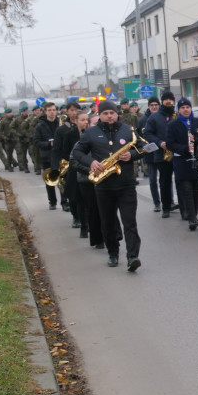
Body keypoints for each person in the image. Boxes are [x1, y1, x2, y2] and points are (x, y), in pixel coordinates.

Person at [72, 100, 143, 272]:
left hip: (126, 184)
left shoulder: (128, 130)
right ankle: (113, 253)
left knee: (129, 222)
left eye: (112, 112)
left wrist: (132, 154)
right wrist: (91, 162)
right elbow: (77, 152)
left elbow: (144, 147)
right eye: (105, 113)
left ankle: (132, 257)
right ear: (100, 115)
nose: (109, 116)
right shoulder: (90, 132)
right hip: (103, 186)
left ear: (117, 113)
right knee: (108, 222)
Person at [167, 97, 198, 230]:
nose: (186, 109)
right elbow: (170, 144)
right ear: (179, 110)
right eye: (182, 108)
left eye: (188, 107)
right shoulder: (173, 125)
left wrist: (197, 141)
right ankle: (192, 218)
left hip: (196, 161)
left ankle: (194, 214)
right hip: (182, 161)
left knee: (196, 191)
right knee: (186, 190)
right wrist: (184, 148)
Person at [68, 111, 103, 247]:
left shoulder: (105, 138)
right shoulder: (82, 139)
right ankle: (96, 238)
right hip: (86, 179)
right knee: (91, 209)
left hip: (104, 179)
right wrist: (89, 170)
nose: (97, 126)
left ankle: (111, 236)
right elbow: (73, 159)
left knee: (106, 210)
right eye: (94, 123)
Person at [142, 90, 177, 218]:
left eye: (170, 99)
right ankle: (166, 207)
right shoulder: (154, 117)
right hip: (162, 155)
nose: (168, 101)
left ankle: (184, 208)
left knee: (181, 182)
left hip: (179, 154)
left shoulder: (177, 114)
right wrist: (159, 142)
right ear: (162, 101)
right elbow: (147, 134)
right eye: (166, 99)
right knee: (164, 182)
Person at [53, 102, 82, 227]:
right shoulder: (62, 130)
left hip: (86, 165)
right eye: (71, 110)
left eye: (76, 110)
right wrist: (56, 166)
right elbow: (58, 149)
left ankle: (85, 218)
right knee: (73, 194)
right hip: (70, 164)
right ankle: (76, 217)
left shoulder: (88, 128)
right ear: (67, 112)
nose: (74, 112)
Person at [32, 102, 62, 210]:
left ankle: (64, 202)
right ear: (45, 112)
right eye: (49, 110)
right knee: (50, 181)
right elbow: (35, 141)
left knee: (62, 180)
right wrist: (49, 144)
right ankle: (52, 202)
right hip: (47, 156)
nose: (52, 112)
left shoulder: (60, 123)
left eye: (54, 110)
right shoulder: (40, 125)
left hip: (60, 156)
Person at [0, 107, 16, 172]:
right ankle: (9, 166)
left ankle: (21, 165)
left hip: (15, 138)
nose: (10, 114)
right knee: (9, 153)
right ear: (5, 114)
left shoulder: (13, 120)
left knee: (20, 152)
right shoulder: (3, 121)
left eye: (11, 112)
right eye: (8, 113)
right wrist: (4, 137)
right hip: (8, 140)